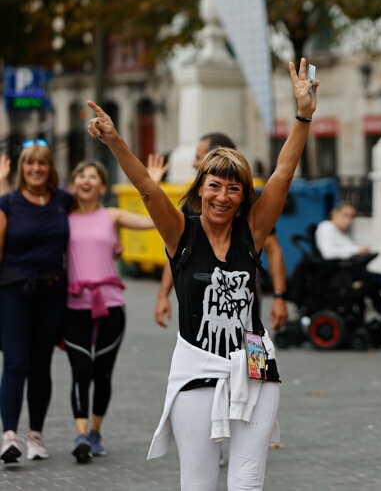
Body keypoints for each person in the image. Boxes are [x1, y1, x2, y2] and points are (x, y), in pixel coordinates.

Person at [86, 58, 316, 491]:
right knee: (200, 483)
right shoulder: (182, 233)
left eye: (234, 188)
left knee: (247, 480)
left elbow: (283, 173)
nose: (223, 196)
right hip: (196, 361)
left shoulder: (253, 230)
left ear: (244, 195)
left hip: (253, 356)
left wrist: (303, 115)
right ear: (200, 188)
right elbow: (148, 190)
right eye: (214, 185)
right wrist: (115, 140)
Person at [63, 160, 155, 462]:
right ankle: (80, 433)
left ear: (103, 187)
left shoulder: (111, 215)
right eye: (81, 175)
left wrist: (150, 188)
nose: (86, 180)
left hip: (110, 304)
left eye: (93, 176)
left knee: (102, 373)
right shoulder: (62, 217)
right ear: (74, 183)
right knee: (81, 371)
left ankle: (95, 432)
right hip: (74, 305)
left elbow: (153, 220)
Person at [151, 133, 289, 332]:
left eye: (199, 157)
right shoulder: (191, 206)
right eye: (214, 186)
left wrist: (279, 296)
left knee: (250, 335)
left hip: (242, 291)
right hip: (200, 339)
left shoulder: (251, 210)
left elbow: (273, 249)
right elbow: (175, 252)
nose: (193, 163)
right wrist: (163, 295)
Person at [0, 140, 73, 463]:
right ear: (21, 169)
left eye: (42, 163)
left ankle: (36, 436)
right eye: (29, 163)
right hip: (13, 291)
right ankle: (9, 436)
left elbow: (88, 223)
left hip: (52, 291)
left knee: (41, 366)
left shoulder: (62, 201)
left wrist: (111, 246)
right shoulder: (9, 203)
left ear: (50, 168)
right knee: (15, 363)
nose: (35, 168)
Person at [314, 202, 381, 310]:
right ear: (335, 213)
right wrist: (356, 250)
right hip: (340, 274)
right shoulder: (326, 228)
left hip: (348, 270)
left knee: (374, 285)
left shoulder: (341, 232)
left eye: (352, 217)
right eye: (345, 215)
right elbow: (328, 253)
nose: (349, 220)